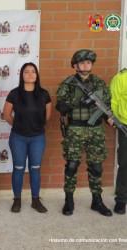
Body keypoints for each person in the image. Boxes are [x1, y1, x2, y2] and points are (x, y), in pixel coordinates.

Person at [56, 49, 113, 216]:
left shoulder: (100, 84)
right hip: (75, 130)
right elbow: (60, 106)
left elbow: (107, 106)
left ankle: (97, 201)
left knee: (96, 167)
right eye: (82, 63)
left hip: (96, 130)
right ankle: (68, 200)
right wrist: (80, 101)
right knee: (72, 166)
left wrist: (109, 118)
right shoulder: (69, 83)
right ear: (75, 65)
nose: (85, 65)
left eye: (88, 62)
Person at [3, 62, 51, 213]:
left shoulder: (44, 94)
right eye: (26, 72)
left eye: (33, 72)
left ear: (37, 75)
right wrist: (19, 125)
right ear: (22, 75)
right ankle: (17, 200)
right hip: (18, 137)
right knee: (18, 168)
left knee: (35, 168)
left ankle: (35, 200)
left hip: (37, 137)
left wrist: (34, 126)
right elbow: (6, 115)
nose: (30, 74)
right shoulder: (15, 93)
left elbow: (47, 117)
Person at [110, 68, 127, 214]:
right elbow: (113, 100)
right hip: (125, 125)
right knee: (125, 163)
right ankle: (121, 199)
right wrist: (115, 121)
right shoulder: (121, 77)